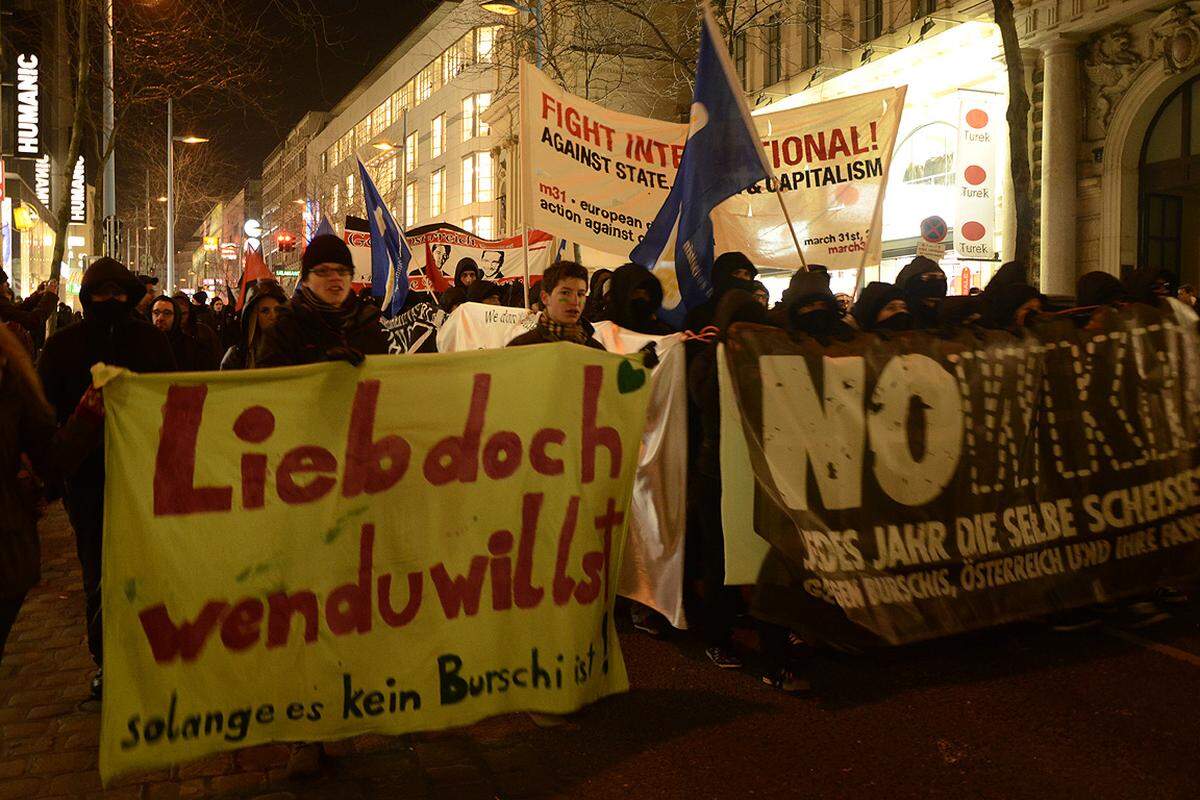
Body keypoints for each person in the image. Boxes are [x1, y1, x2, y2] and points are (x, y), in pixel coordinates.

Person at [36, 257, 176, 697]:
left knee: (148, 571)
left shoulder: (151, 343)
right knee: (97, 572)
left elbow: (177, 400)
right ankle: (109, 661)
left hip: (145, 477)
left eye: (119, 293)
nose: (111, 301)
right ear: (88, 297)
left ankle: (147, 654)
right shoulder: (63, 348)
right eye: (103, 293)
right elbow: (45, 415)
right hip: (89, 480)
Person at [256, 234, 389, 367]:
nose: (335, 277)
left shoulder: (369, 325)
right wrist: (320, 369)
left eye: (342, 271)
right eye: (323, 271)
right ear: (306, 280)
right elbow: (269, 384)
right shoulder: (283, 332)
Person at [507, 261, 604, 349]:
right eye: (565, 293)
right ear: (545, 297)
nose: (575, 301)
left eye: (581, 294)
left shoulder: (597, 351)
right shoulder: (521, 348)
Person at [684, 252, 757, 332]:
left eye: (747, 274)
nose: (742, 278)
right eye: (736, 273)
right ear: (721, 276)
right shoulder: (699, 315)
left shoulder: (756, 313)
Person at [220, 283, 286, 369]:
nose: (273, 316)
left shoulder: (295, 351)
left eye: (277, 310)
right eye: (265, 311)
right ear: (253, 317)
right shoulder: (236, 356)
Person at [604, 263, 673, 334]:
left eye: (647, 292)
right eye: (635, 293)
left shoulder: (665, 335)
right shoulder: (603, 332)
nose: (643, 296)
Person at [150, 295, 204, 370]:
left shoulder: (190, 347)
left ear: (176, 317)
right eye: (156, 312)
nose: (160, 318)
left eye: (167, 313)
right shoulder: (143, 343)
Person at [172, 291, 221, 369]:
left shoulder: (204, 331)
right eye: (177, 313)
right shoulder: (167, 333)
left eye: (183, 314)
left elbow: (215, 356)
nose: (180, 318)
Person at [0, 269, 57, 337]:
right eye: (4, 281)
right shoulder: (2, 307)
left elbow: (19, 309)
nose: (8, 284)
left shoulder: (4, 306)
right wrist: (49, 297)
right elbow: (32, 320)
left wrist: (38, 295)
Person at [893, 256, 947, 328]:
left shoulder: (947, 319)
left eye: (942, 278)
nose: (938, 283)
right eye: (930, 277)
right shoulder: (895, 320)